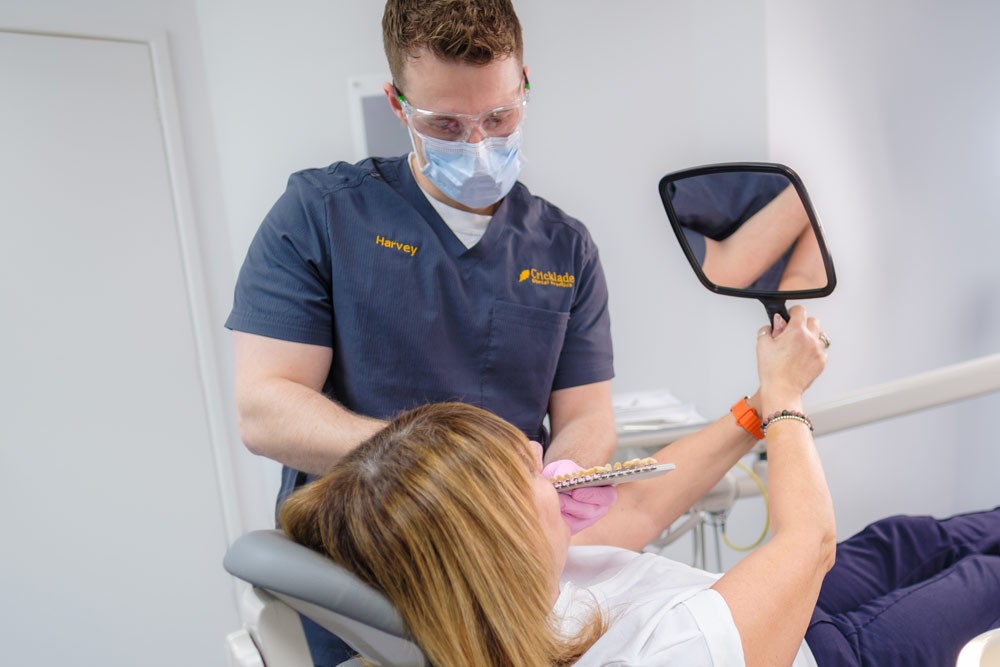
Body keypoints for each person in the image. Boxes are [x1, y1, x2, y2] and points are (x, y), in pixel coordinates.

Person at [226, 1, 620, 662]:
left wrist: (566, 470)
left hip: (505, 577)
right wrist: (448, 470)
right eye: (445, 124)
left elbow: (588, 413)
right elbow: (266, 409)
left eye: (498, 117)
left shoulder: (563, 247)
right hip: (361, 579)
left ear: (524, 83)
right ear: (397, 103)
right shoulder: (319, 216)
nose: (477, 144)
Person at [280, 306, 1000, 666]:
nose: (541, 448)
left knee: (914, 535)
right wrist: (786, 401)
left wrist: (750, 410)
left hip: (756, 610)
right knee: (985, 578)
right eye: (524, 467)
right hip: (823, 651)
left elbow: (649, 499)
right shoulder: (658, 652)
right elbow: (808, 543)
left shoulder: (519, 588)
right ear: (500, 538)